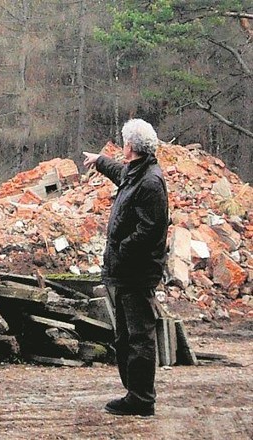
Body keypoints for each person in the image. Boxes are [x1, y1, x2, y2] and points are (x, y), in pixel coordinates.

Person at [82, 118, 169, 417]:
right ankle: (134, 393)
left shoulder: (150, 182)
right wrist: (100, 161)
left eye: (123, 142)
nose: (122, 146)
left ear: (130, 146)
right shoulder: (137, 173)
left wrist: (122, 248)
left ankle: (142, 398)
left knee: (139, 336)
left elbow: (150, 229)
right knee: (126, 336)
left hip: (136, 272)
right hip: (126, 271)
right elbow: (121, 173)